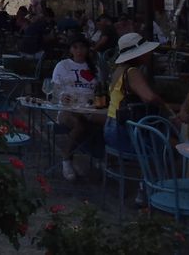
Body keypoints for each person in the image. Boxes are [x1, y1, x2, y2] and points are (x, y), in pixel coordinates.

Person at [104, 33, 171, 156]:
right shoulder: (132, 72)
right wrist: (167, 107)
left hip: (111, 126)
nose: (149, 54)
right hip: (124, 129)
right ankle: (159, 175)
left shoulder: (118, 70)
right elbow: (149, 97)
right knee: (168, 149)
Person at [50, 38, 103, 180]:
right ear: (70, 50)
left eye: (82, 47)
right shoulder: (63, 66)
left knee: (108, 120)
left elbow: (100, 90)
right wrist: (62, 96)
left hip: (89, 108)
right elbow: (54, 90)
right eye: (75, 47)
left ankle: (101, 156)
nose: (79, 51)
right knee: (79, 125)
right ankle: (66, 159)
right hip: (68, 108)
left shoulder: (94, 68)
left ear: (87, 50)